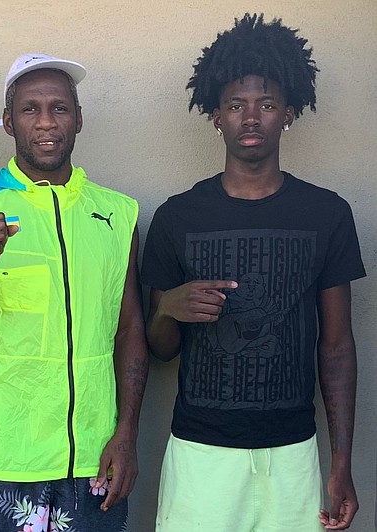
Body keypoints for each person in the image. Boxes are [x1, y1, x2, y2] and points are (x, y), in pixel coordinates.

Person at [142, 14, 365, 532]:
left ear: (288, 113)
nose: (251, 118)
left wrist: (340, 462)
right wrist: (167, 308)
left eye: (266, 104)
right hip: (200, 451)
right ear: (216, 115)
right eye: (236, 105)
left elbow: (336, 347)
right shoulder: (177, 217)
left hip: (292, 451)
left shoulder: (326, 214)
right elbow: (160, 348)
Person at [0, 53, 149, 531]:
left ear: (79, 118)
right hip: (2, 465)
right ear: (8, 122)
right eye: (30, 109)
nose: (46, 122)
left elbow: (130, 327)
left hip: (95, 460)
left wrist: (127, 434)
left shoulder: (119, 215)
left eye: (59, 108)